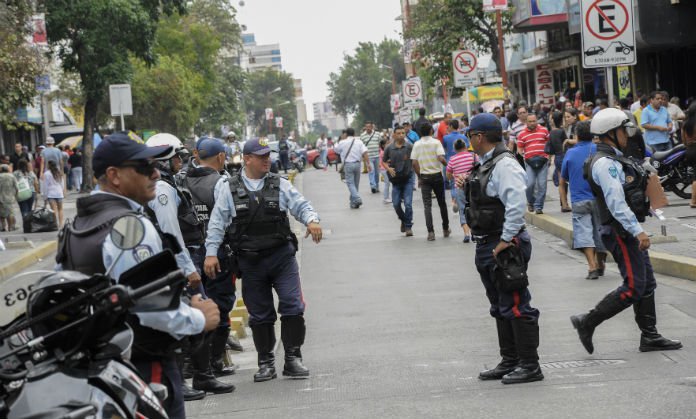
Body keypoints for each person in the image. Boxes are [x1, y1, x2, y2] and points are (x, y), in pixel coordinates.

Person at [55, 133, 220, 419]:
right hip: (143, 367)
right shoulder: (130, 229)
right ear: (114, 176)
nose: (155, 172)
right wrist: (199, 319)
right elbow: (152, 309)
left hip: (102, 370)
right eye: (144, 167)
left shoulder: (78, 225)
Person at [203, 137, 322, 383]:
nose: (267, 159)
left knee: (292, 305)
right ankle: (266, 362)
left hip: (281, 257)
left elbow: (300, 205)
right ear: (247, 159)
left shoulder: (279, 184)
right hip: (250, 262)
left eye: (268, 155)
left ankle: (292, 358)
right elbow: (216, 223)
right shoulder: (228, 188)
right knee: (260, 314)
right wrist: (211, 253)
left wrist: (312, 220)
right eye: (261, 156)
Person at [570, 108, 682, 355]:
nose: (627, 135)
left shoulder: (616, 158)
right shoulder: (605, 163)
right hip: (620, 231)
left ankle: (649, 336)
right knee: (633, 286)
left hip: (626, 228)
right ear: (610, 133)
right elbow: (616, 202)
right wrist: (637, 231)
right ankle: (587, 322)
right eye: (623, 130)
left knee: (647, 283)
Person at [145, 134, 235, 397]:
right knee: (194, 318)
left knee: (200, 318)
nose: (180, 162)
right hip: (178, 262)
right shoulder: (162, 189)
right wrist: (188, 269)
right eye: (176, 157)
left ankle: (202, 375)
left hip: (185, 258)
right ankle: (185, 380)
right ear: (165, 159)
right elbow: (171, 232)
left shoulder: (169, 184)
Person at [462, 113, 543, 384]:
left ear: (478, 136)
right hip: (488, 241)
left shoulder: (504, 164)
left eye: (470, 135)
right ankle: (511, 360)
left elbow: (517, 203)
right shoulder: (488, 163)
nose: (469, 140)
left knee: (517, 305)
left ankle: (530, 365)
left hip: (503, 242)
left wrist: (506, 240)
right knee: (499, 305)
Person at [560, 121, 608, 280]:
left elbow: (562, 180)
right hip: (599, 199)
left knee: (583, 233)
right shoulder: (600, 150)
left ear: (577, 136)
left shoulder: (570, 153)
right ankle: (601, 264)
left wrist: (564, 202)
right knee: (601, 231)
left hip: (579, 199)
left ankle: (592, 266)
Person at [411, 122, 450, 241]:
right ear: (431, 131)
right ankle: (445, 228)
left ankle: (431, 232)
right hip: (437, 176)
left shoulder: (417, 144)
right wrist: (448, 167)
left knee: (427, 205)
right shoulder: (436, 142)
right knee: (442, 203)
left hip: (425, 177)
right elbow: (440, 158)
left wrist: (419, 176)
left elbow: (414, 163)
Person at [382, 126, 415, 237]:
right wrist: (388, 168)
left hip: (408, 179)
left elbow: (415, 161)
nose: (401, 135)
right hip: (395, 180)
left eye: (403, 133)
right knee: (396, 204)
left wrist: (419, 176)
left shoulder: (410, 147)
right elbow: (384, 161)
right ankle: (404, 220)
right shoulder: (389, 148)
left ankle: (408, 226)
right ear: (394, 135)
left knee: (408, 204)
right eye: (399, 133)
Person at [517, 114, 550, 214]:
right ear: (526, 122)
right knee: (530, 184)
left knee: (542, 185)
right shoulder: (522, 134)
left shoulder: (544, 130)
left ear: (537, 121)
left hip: (543, 161)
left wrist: (549, 157)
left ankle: (539, 206)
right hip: (529, 162)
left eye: (534, 121)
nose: (532, 123)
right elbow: (519, 148)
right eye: (530, 121)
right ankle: (531, 202)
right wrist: (522, 157)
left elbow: (549, 143)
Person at [446, 139, 476, 243]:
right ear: (465, 146)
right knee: (475, 208)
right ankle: (475, 233)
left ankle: (466, 233)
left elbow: (448, 176)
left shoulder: (452, 159)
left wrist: (455, 175)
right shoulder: (473, 156)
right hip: (474, 186)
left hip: (460, 187)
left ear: (454, 149)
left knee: (463, 210)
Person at [335, 128, 371, 209]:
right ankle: (353, 202)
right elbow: (365, 152)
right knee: (355, 184)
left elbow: (336, 150)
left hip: (348, 165)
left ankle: (357, 198)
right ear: (354, 134)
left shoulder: (342, 142)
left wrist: (341, 139)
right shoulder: (359, 141)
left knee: (350, 183)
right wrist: (368, 164)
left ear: (346, 134)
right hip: (358, 164)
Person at [547, 111, 571, 212]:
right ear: (561, 120)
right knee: (565, 182)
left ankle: (563, 204)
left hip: (557, 157)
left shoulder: (552, 132)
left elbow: (550, 149)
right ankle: (565, 204)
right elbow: (567, 143)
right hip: (564, 156)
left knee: (561, 182)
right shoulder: (561, 132)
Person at [43, 160, 65, 228]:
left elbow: (45, 185)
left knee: (53, 210)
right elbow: (62, 183)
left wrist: (45, 196)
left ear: (49, 166)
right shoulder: (59, 173)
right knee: (60, 209)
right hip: (59, 193)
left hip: (51, 193)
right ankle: (61, 224)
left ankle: (55, 224)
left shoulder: (46, 173)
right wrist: (62, 191)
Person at [361, 122, 381, 193]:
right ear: (365, 127)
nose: (368, 128)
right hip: (368, 157)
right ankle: (373, 186)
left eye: (369, 127)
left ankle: (377, 186)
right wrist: (363, 156)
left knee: (377, 173)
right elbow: (362, 147)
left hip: (377, 156)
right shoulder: (362, 136)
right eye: (367, 127)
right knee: (371, 171)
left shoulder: (377, 134)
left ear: (372, 127)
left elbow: (379, 143)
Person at [0, 165, 18, 231]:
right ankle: (10, 227)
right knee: (10, 213)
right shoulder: (12, 176)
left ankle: (3, 227)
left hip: (1, 197)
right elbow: (17, 187)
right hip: (10, 197)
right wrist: (15, 196)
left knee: (1, 213)